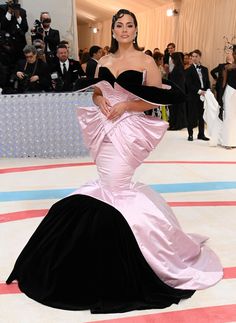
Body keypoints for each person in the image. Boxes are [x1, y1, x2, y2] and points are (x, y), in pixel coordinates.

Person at [6, 9, 223, 314]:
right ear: (113, 30)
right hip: (104, 126)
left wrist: (126, 106)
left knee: (117, 187)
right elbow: (96, 91)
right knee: (108, 188)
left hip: (129, 129)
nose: (124, 29)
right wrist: (101, 100)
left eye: (129, 25)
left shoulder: (146, 61)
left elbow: (155, 99)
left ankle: (145, 253)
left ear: (136, 30)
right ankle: (101, 256)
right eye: (119, 25)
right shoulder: (103, 61)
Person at [185, 49, 211, 141]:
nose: (194, 58)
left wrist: (208, 91)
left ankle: (201, 134)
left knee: (201, 115)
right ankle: (190, 134)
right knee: (192, 115)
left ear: (200, 57)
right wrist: (199, 91)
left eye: (196, 56)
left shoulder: (205, 69)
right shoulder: (188, 70)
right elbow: (189, 85)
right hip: (193, 95)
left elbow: (207, 82)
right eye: (193, 57)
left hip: (203, 96)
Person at [221, 45, 236, 148]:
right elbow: (224, 82)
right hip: (230, 91)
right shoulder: (227, 67)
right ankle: (227, 142)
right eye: (234, 52)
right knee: (228, 116)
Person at [168, 52, 187, 130]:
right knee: (178, 108)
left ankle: (176, 125)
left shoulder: (177, 69)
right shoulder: (180, 67)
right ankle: (178, 124)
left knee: (176, 109)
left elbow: (175, 81)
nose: (171, 60)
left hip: (176, 91)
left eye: (172, 59)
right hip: (180, 90)